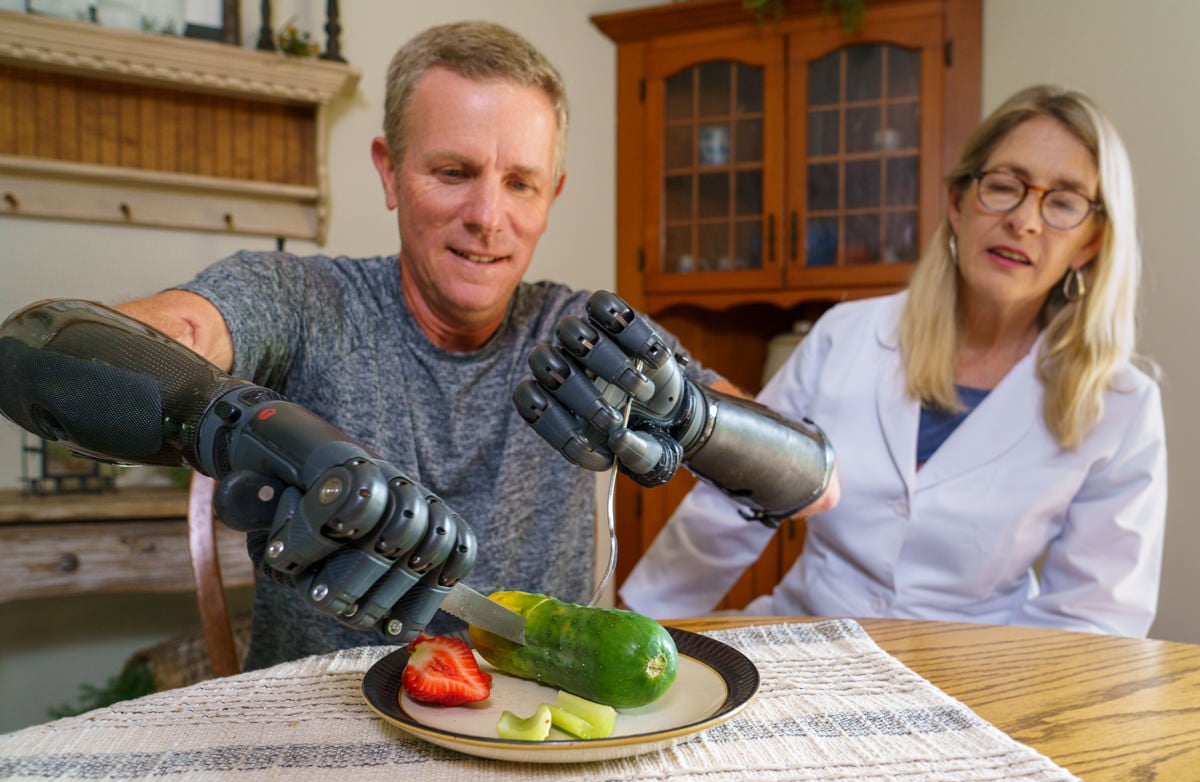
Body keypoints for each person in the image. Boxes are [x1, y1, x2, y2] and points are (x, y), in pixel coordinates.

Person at [0, 21, 836, 671]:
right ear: (389, 170)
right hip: (319, 731)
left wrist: (692, 419)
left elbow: (817, 487)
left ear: (552, 194)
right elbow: (51, 351)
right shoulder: (299, 298)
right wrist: (239, 423)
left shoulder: (588, 338)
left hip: (539, 728)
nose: (488, 217)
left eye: (520, 183)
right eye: (453, 172)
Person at [620, 85, 1167, 638]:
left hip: (981, 668)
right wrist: (641, 631)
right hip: (807, 639)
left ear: (1090, 243)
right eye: (1004, 187)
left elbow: (1094, 617)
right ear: (957, 203)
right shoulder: (846, 336)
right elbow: (730, 503)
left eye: (1064, 203)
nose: (1025, 220)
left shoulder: (1122, 406)